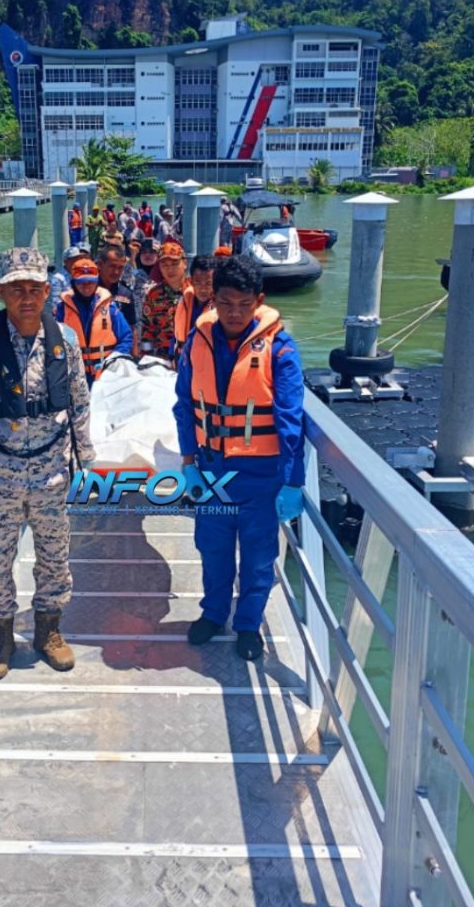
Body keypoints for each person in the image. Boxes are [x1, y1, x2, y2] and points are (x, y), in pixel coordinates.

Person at [0, 247, 95, 681]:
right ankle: (1, 638)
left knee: (55, 556)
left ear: (48, 291)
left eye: (35, 288)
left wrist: (86, 461)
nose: (27, 297)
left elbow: (79, 401)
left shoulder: (65, 340)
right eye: (17, 289)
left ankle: (48, 632)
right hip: (0, 475)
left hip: (53, 471)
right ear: (1, 292)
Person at [172, 255, 305, 661]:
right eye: (226, 303)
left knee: (258, 556)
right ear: (212, 299)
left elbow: (290, 417)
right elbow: (184, 405)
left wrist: (293, 481)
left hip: (261, 474)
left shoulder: (280, 347)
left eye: (244, 304)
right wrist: (188, 462)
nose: (234, 312)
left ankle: (248, 624)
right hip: (211, 468)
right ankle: (213, 614)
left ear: (259, 301)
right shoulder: (197, 341)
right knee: (212, 550)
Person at [56, 256, 133, 386]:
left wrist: (113, 362)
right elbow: (55, 342)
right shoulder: (62, 310)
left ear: (97, 282)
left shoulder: (110, 308)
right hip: (74, 375)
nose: (86, 286)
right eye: (81, 282)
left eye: (90, 282)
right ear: (73, 283)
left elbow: (126, 337)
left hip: (106, 374)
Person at [141, 240, 188, 363]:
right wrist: (145, 360)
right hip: (162, 359)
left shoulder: (194, 292)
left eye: (174, 263)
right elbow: (148, 331)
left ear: (185, 263)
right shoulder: (153, 294)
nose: (169, 269)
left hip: (190, 356)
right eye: (164, 265)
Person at [97, 243, 140, 354]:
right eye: (112, 266)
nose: (116, 272)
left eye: (120, 268)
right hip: (94, 351)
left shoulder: (126, 293)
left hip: (119, 352)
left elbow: (132, 327)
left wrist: (135, 357)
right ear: (100, 265)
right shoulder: (89, 290)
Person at [172, 254, 215, 361]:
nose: (203, 289)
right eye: (198, 283)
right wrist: (172, 356)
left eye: (208, 283)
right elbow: (176, 335)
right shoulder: (184, 301)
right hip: (183, 358)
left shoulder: (219, 310)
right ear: (191, 282)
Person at [46, 244, 87, 314]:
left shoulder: (80, 275)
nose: (77, 261)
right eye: (73, 259)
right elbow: (56, 302)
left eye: (78, 259)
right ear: (65, 261)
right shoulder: (58, 278)